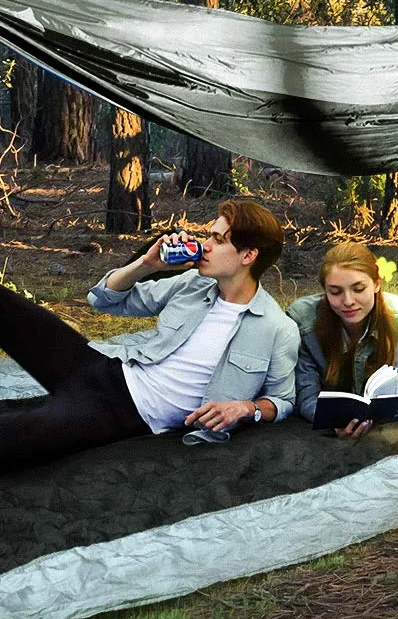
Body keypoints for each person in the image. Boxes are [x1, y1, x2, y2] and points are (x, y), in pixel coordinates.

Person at [0, 199, 298, 472]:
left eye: (218, 240)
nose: (205, 245)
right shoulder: (193, 283)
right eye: (209, 235)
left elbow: (282, 400)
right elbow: (104, 300)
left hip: (120, 411)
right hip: (101, 366)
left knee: (13, 437)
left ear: (248, 255)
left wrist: (247, 408)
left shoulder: (276, 328)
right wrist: (147, 264)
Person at [287, 240, 398, 438]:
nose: (348, 301)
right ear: (324, 291)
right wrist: (334, 422)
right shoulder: (303, 322)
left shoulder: (396, 316)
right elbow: (306, 396)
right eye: (335, 292)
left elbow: (390, 383)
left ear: (377, 284)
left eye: (359, 289)